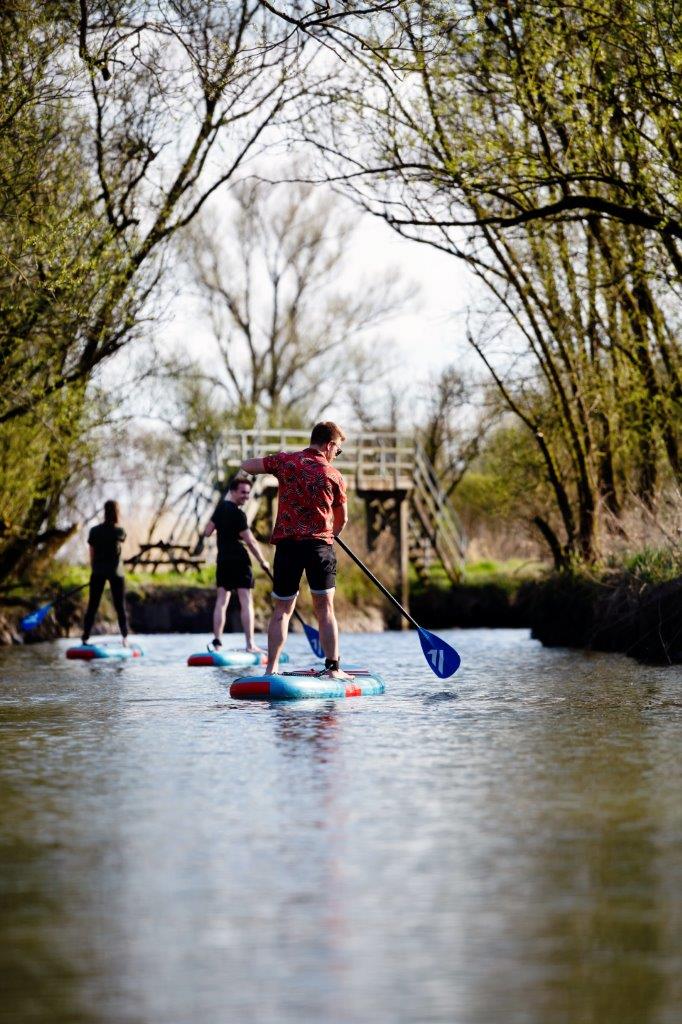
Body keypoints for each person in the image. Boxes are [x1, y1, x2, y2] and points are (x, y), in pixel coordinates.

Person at [240, 421, 351, 680]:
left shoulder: (286, 462)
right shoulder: (334, 475)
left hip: (287, 547)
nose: (336, 455)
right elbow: (342, 519)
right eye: (337, 450)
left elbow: (247, 466)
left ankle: (271, 669)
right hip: (319, 547)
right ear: (329, 445)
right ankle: (333, 668)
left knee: (282, 610)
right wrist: (331, 535)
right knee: (325, 610)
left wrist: (272, 462)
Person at [199, 475, 269, 653]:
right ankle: (250, 645)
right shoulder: (239, 514)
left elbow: (207, 532)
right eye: (243, 492)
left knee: (222, 601)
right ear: (232, 492)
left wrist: (222, 527)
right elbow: (251, 541)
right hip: (239, 561)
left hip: (223, 560)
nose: (246, 496)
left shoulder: (220, 509)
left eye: (248, 493)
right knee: (246, 601)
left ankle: (217, 643)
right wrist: (263, 561)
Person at [82, 499, 129, 645]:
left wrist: (94, 568)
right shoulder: (119, 531)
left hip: (98, 572)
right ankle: (125, 638)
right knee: (120, 606)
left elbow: (92, 552)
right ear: (117, 512)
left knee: (92, 606)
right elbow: (120, 543)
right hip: (116, 573)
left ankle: (85, 638)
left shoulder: (94, 531)